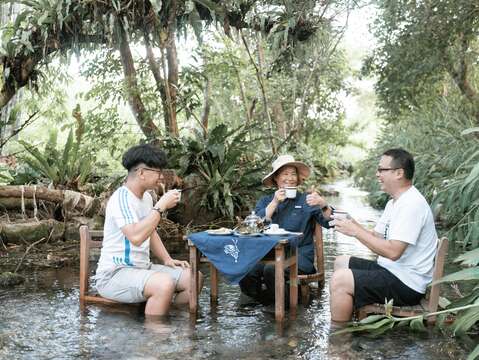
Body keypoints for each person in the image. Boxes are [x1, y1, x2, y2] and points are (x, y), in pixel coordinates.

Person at [329, 148, 438, 322]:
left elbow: (393, 252)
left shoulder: (411, 204)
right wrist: (352, 223)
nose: (377, 174)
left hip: (407, 284)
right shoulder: (394, 203)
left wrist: (356, 232)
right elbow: (377, 237)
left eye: (382, 170)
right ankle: (350, 316)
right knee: (341, 262)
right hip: (392, 271)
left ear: (399, 173)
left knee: (340, 280)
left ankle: (340, 339)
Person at [95, 144, 202, 316]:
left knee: (194, 279)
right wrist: (160, 207)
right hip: (114, 274)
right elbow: (136, 237)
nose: (161, 177)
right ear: (142, 172)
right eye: (158, 172)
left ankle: (171, 320)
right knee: (164, 284)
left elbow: (150, 232)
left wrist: (167, 259)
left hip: (142, 268)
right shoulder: (121, 199)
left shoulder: (146, 198)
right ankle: (153, 337)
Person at [239, 154, 332, 304]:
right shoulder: (266, 200)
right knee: (246, 268)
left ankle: (284, 308)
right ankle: (262, 303)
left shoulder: (307, 200)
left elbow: (331, 223)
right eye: (285, 174)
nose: (290, 178)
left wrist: (323, 204)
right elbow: (253, 226)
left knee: (272, 269)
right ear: (276, 178)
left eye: (293, 174)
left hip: (299, 255)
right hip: (269, 253)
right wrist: (275, 203)